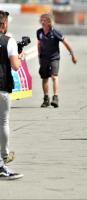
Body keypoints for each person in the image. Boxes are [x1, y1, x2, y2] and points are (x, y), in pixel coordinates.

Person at [0, 10, 23, 180]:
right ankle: (3, 157)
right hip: (2, 87)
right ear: (4, 24)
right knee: (3, 122)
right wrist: (19, 56)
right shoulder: (9, 41)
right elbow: (16, 66)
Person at [37, 13, 77, 108]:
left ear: (50, 22)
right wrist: (39, 56)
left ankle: (55, 97)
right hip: (44, 58)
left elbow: (66, 43)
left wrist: (72, 55)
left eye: (45, 20)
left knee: (54, 76)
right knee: (44, 78)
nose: (42, 22)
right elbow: (39, 44)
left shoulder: (55, 32)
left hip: (54, 58)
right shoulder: (39, 32)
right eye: (41, 20)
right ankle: (46, 99)